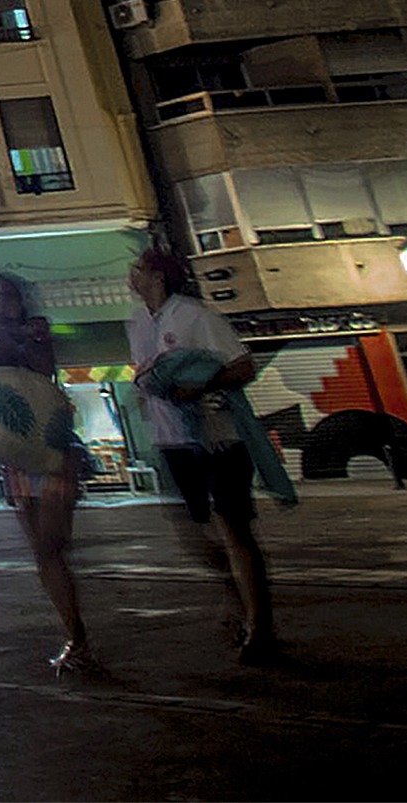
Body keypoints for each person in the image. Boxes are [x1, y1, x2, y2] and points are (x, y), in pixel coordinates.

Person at [127, 246, 280, 664]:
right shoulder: (138, 322)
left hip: (217, 434)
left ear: (158, 276)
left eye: (138, 269)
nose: (131, 276)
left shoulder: (195, 316)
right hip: (171, 438)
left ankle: (259, 624)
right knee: (190, 529)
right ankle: (235, 593)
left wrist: (200, 386)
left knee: (234, 527)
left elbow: (242, 366)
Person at [0, 272, 93, 676]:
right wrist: (15, 335)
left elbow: (44, 368)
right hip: (16, 452)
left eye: (9, 296)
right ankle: (76, 633)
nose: (2, 303)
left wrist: (29, 337)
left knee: (54, 544)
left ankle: (78, 632)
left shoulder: (38, 334)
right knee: (42, 549)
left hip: (50, 445)